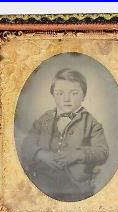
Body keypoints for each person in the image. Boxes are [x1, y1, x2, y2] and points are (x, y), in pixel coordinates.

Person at [21, 68, 109, 201]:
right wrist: (41, 154)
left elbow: (102, 152)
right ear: (53, 95)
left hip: (75, 186)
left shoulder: (91, 123)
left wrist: (76, 154)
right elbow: (27, 144)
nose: (66, 99)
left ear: (83, 95)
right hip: (42, 181)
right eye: (60, 93)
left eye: (74, 93)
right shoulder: (45, 118)